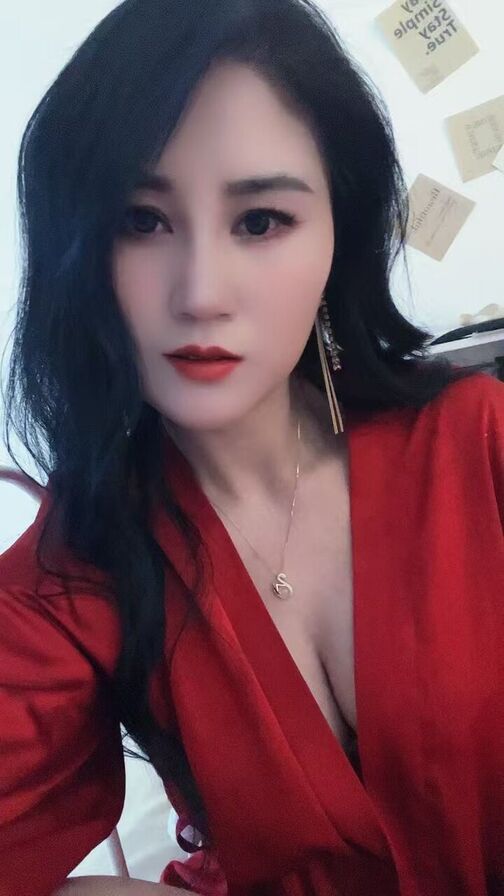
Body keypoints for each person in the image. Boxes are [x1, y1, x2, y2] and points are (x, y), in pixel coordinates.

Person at [0, 0, 502, 894]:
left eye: (261, 221)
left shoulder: (477, 442)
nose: (201, 292)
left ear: (341, 229)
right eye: (140, 220)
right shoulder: (78, 571)